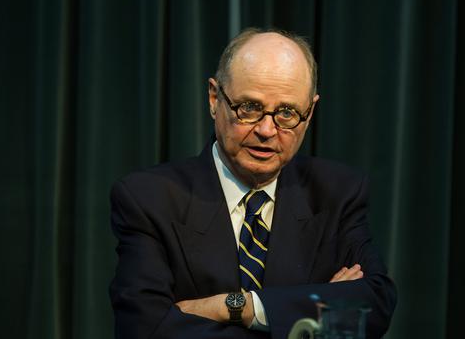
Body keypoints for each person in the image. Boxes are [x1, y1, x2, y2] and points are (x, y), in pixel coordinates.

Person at [110, 27, 396, 339]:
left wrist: (238, 307)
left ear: (310, 112)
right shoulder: (149, 198)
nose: (266, 130)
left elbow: (374, 304)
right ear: (214, 98)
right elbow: (146, 329)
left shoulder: (337, 192)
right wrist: (301, 318)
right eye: (250, 108)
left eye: (286, 113)